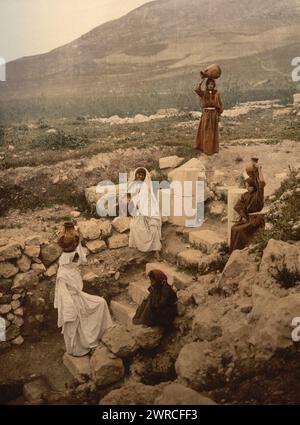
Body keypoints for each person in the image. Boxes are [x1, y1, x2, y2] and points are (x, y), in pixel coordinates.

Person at [54, 222, 113, 357]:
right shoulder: (63, 274)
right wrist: (70, 311)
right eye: (73, 257)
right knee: (75, 323)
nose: (75, 259)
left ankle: (103, 334)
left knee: (101, 303)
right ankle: (79, 348)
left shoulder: (72, 267)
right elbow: (64, 297)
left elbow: (80, 257)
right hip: (72, 304)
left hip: (79, 297)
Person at [230, 161, 266, 253]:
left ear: (253, 187)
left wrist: (259, 169)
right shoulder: (245, 195)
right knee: (234, 228)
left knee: (239, 231)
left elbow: (261, 183)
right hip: (248, 219)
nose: (247, 188)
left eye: (248, 186)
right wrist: (244, 216)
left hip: (255, 220)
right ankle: (233, 252)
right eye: (245, 186)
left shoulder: (258, 195)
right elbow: (238, 206)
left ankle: (239, 251)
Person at [128, 167, 162, 259]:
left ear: (145, 176)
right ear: (135, 175)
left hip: (149, 210)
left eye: (143, 175)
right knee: (135, 226)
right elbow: (131, 199)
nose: (140, 176)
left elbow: (151, 199)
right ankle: (139, 250)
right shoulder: (132, 186)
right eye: (139, 174)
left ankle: (156, 251)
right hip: (138, 211)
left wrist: (147, 210)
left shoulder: (147, 186)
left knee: (153, 227)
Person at [194, 78, 224, 155]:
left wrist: (219, 114)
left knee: (212, 132)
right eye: (209, 84)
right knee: (205, 131)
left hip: (214, 114)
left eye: (212, 84)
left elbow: (220, 104)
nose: (210, 86)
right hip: (206, 114)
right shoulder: (203, 93)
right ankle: (204, 148)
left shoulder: (217, 93)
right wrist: (202, 79)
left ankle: (212, 149)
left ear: (214, 85)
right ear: (206, 85)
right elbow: (196, 89)